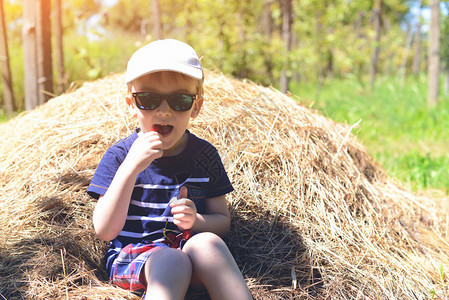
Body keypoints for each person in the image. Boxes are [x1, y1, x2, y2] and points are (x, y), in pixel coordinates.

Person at [87, 39, 252, 300]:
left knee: (207, 243)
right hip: (135, 258)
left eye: (180, 100)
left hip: (188, 255)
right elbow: (105, 230)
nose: (164, 111)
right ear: (132, 104)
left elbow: (223, 222)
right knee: (171, 262)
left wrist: (196, 221)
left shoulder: (205, 156)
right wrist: (131, 168)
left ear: (195, 107)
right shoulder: (119, 156)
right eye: (149, 99)